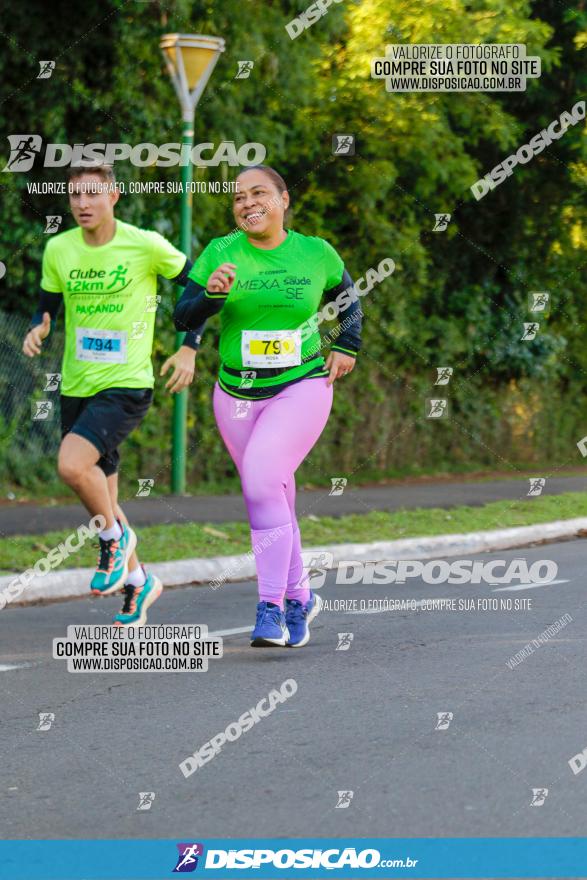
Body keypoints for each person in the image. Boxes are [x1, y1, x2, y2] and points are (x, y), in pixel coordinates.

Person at [174, 165, 362, 647]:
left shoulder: (315, 251)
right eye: (238, 197)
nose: (246, 203)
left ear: (283, 199)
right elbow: (183, 313)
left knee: (261, 480)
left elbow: (349, 297)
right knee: (271, 495)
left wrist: (348, 343)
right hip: (235, 394)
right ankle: (301, 595)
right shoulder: (221, 250)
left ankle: (271, 608)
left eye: (258, 193)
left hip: (301, 385)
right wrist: (212, 297)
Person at [22, 164, 204, 626]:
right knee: (103, 491)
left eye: (92, 195)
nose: (83, 204)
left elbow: (201, 288)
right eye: (75, 197)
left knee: (71, 465)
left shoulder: (143, 244)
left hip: (126, 384)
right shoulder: (58, 248)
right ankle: (140, 582)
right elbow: (49, 300)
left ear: (114, 196)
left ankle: (112, 538)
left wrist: (188, 347)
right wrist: (40, 324)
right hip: (77, 383)